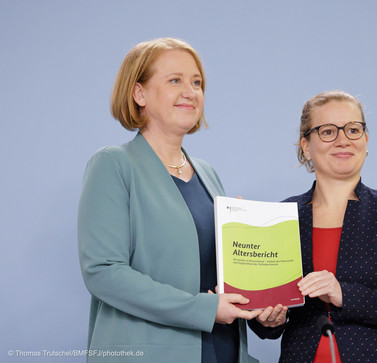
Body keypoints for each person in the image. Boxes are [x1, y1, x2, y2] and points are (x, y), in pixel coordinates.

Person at [78, 37, 266, 363]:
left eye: (197, 82)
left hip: (222, 351)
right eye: (175, 80)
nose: (190, 92)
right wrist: (203, 309)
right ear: (139, 94)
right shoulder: (113, 165)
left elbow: (219, 275)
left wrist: (264, 304)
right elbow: (103, 272)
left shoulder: (208, 174)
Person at [249, 90, 377, 362]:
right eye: (328, 131)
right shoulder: (282, 215)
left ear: (365, 139)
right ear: (306, 145)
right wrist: (269, 321)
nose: (343, 140)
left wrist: (344, 294)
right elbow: (267, 317)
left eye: (353, 129)